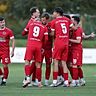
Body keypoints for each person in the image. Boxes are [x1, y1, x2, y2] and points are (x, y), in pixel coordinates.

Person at [50, 7, 74, 87]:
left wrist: (48, 32)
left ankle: (54, 82)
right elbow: (73, 28)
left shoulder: (54, 21)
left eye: (54, 12)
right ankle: (66, 82)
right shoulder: (67, 20)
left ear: (57, 13)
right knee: (64, 63)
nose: (53, 14)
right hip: (66, 43)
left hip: (58, 43)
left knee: (55, 62)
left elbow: (53, 34)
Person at [22, 19, 48, 88]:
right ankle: (39, 82)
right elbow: (46, 39)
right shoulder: (44, 27)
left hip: (30, 45)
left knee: (27, 61)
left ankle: (27, 78)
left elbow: (23, 33)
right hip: (38, 46)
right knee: (38, 64)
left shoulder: (31, 24)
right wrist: (42, 47)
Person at [22, 7, 40, 86]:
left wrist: (27, 30)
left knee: (30, 62)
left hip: (32, 44)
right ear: (33, 13)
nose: (39, 13)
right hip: (37, 45)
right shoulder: (35, 22)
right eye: (38, 12)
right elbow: (24, 32)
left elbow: (24, 33)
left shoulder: (32, 21)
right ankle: (31, 79)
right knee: (35, 63)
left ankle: (28, 78)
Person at [69, 16, 84, 87]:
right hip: (74, 49)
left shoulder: (78, 30)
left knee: (74, 65)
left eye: (72, 20)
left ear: (75, 21)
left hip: (77, 50)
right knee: (76, 66)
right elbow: (83, 36)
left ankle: (75, 81)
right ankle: (80, 80)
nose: (70, 21)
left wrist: (69, 40)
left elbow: (78, 41)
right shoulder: (75, 29)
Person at [0, 16, 15, 86]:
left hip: (5, 51)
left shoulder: (8, 31)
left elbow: (13, 41)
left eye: (3, 22)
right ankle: (1, 75)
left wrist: (12, 50)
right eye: (1, 22)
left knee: (5, 65)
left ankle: (4, 80)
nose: (2, 23)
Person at [41, 12, 53, 86]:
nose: (43, 22)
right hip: (40, 48)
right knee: (38, 64)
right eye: (42, 20)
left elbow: (53, 34)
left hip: (48, 49)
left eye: (44, 20)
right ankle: (36, 79)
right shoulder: (39, 26)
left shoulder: (51, 26)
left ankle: (46, 80)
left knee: (48, 65)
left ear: (48, 20)